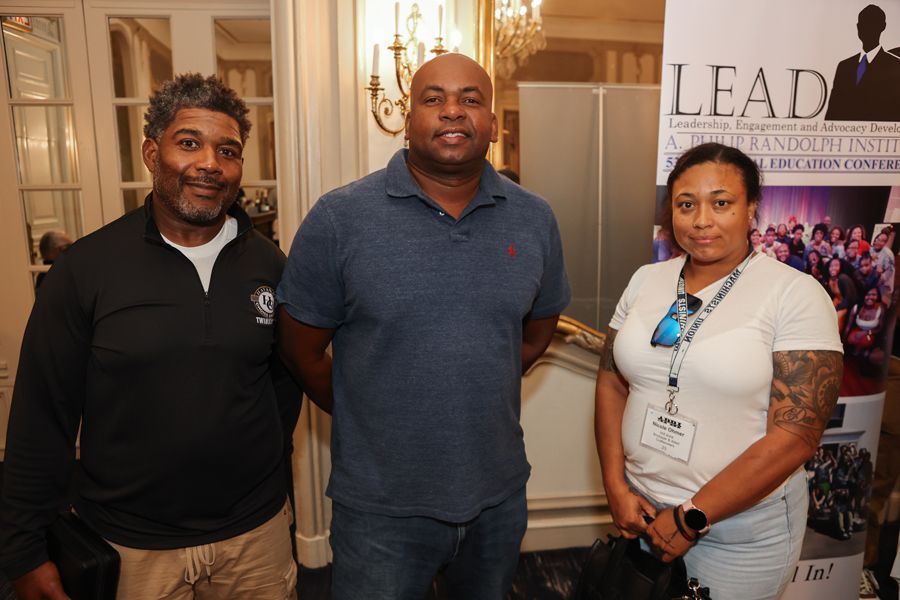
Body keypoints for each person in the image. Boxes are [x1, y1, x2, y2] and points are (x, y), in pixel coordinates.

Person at [276, 53, 570, 599]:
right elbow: (301, 352)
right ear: (408, 120)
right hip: (380, 508)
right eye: (433, 99)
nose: (452, 112)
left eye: (471, 99)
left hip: (497, 497)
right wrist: (370, 408)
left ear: (494, 125)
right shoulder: (340, 218)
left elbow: (534, 334)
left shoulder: (534, 218)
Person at [0, 73, 300, 600]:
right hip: (131, 547)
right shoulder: (85, 270)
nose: (210, 162)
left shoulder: (270, 265)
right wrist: (22, 551)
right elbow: (41, 416)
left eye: (227, 150)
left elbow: (282, 386)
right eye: (189, 143)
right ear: (150, 153)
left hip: (256, 538)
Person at [594, 142, 842, 599]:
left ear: (751, 209)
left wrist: (692, 515)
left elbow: (797, 435)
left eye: (721, 203)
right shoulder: (646, 280)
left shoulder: (794, 294)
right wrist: (613, 482)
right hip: (642, 507)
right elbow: (611, 380)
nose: (701, 220)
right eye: (686, 205)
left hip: (737, 533)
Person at [825, 4, 900, 122]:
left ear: (882, 27)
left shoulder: (896, 66)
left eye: (872, 23)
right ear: (858, 26)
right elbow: (832, 114)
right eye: (862, 23)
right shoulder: (844, 67)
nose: (866, 28)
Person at [825, 256, 858, 331]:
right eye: (831, 266)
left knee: (837, 317)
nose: (833, 268)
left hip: (846, 304)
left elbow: (849, 299)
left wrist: (837, 308)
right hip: (837, 301)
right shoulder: (829, 279)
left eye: (836, 265)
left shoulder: (843, 278)